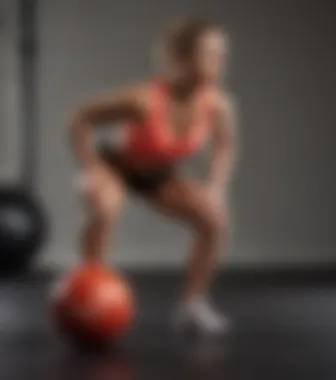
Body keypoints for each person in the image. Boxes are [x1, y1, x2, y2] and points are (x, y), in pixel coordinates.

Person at [69, 20, 237, 334]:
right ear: (183, 58)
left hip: (158, 177)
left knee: (215, 220)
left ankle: (192, 305)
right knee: (106, 209)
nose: (221, 61)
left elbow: (225, 146)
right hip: (116, 166)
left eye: (223, 54)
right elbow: (81, 118)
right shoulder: (143, 98)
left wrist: (217, 186)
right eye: (211, 53)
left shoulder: (217, 104)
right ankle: (85, 292)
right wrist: (90, 168)